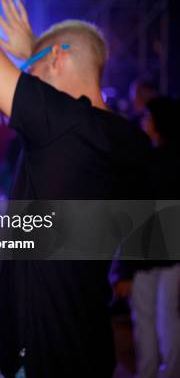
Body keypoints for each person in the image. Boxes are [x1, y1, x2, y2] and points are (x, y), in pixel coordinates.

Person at [0, 0, 151, 377]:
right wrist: (36, 51)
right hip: (89, 346)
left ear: (57, 59)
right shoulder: (128, 139)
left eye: (31, 71)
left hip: (41, 355)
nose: (24, 80)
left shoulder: (63, 124)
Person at [112, 97, 180, 378]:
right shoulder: (170, 162)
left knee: (148, 321)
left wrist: (124, 270)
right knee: (169, 318)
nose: (144, 122)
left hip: (144, 258)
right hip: (173, 254)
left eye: (148, 118)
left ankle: (150, 372)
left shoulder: (144, 164)